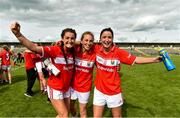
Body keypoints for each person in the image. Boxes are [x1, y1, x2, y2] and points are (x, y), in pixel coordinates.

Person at [10, 22, 76, 117]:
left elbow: (82, 42)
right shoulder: (55, 50)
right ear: (62, 38)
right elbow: (33, 47)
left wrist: (68, 41)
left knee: (64, 114)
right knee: (64, 115)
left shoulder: (74, 51)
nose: (70, 40)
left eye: (72, 38)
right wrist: (18, 34)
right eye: (67, 38)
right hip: (55, 88)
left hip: (66, 88)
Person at [93, 28, 162, 117]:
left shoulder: (119, 52)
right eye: (104, 37)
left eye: (109, 37)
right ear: (100, 39)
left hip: (114, 92)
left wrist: (154, 59)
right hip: (99, 91)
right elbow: (82, 42)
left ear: (113, 39)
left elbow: (136, 60)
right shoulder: (96, 48)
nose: (106, 40)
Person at [70, 31, 96, 117]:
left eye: (91, 41)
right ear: (81, 41)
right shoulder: (75, 50)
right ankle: (74, 116)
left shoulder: (94, 53)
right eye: (86, 40)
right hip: (72, 85)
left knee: (83, 111)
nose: (88, 43)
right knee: (70, 107)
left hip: (85, 87)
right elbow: (68, 43)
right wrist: (78, 42)